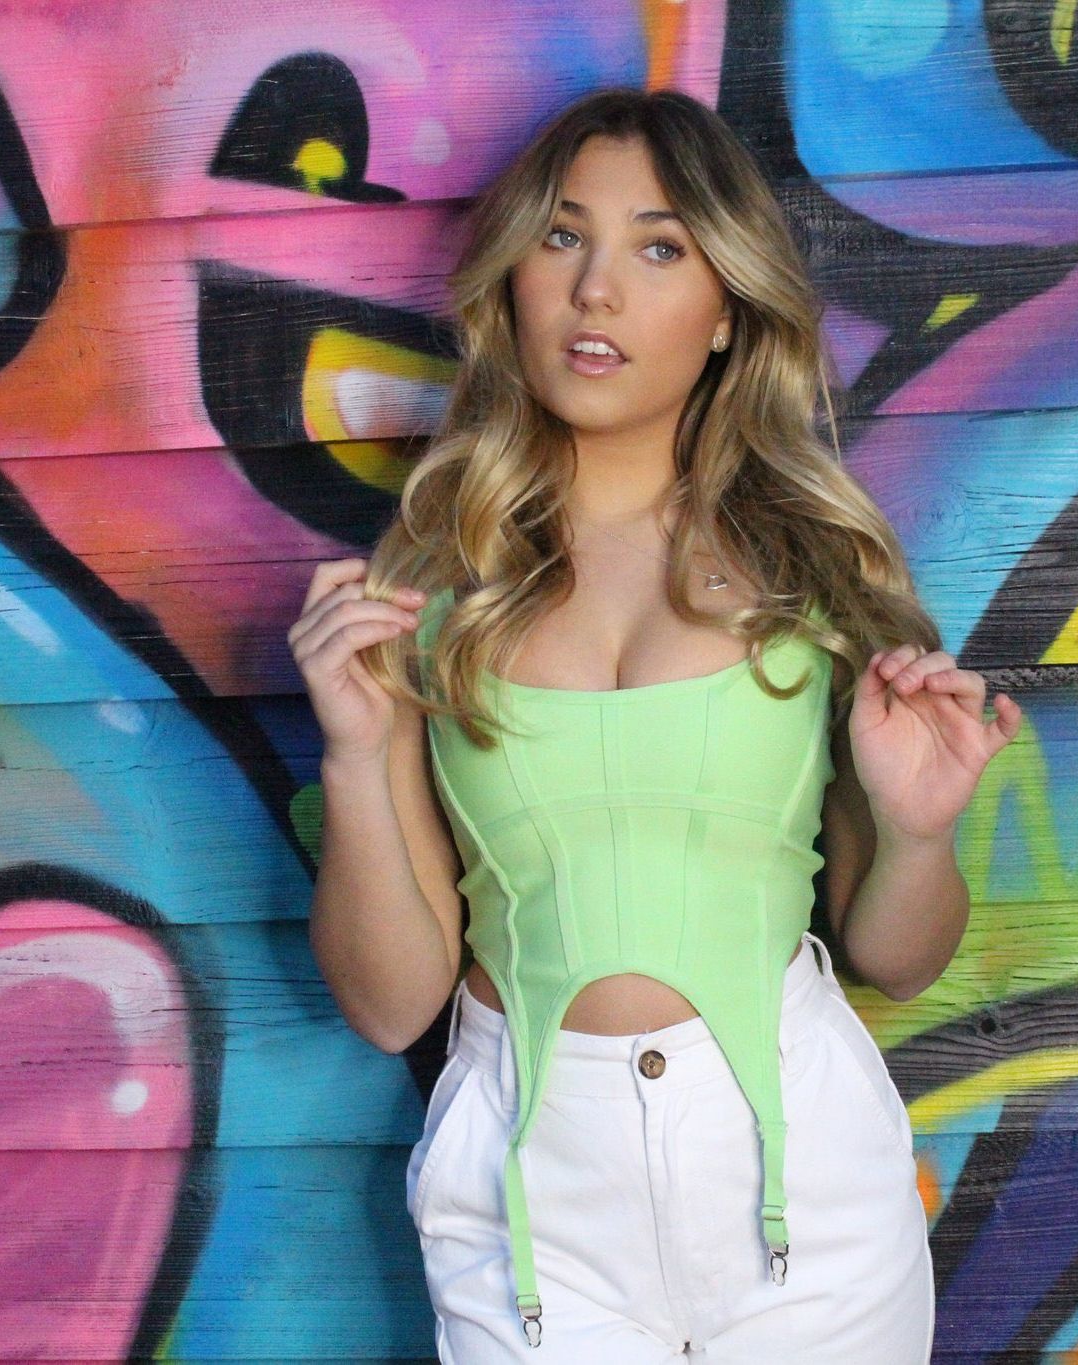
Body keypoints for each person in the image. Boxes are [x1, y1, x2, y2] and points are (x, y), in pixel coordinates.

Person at [290, 86, 1021, 1362]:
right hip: (533, 1205)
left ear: (728, 305)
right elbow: (391, 1005)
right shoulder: (430, 588)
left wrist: (917, 836)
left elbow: (901, 960)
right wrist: (356, 759)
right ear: (515, 275)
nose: (597, 290)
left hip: (803, 1194)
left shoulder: (819, 575)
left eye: (660, 247)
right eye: (563, 237)